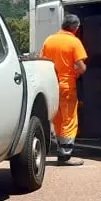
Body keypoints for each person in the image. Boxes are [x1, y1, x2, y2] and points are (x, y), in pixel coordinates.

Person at [40, 14, 88, 166]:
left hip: (52, 85)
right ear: (76, 28)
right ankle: (65, 156)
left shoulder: (49, 40)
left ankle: (60, 150)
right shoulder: (74, 42)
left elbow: (43, 61)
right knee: (69, 120)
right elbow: (81, 67)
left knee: (57, 119)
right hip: (67, 86)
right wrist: (76, 73)